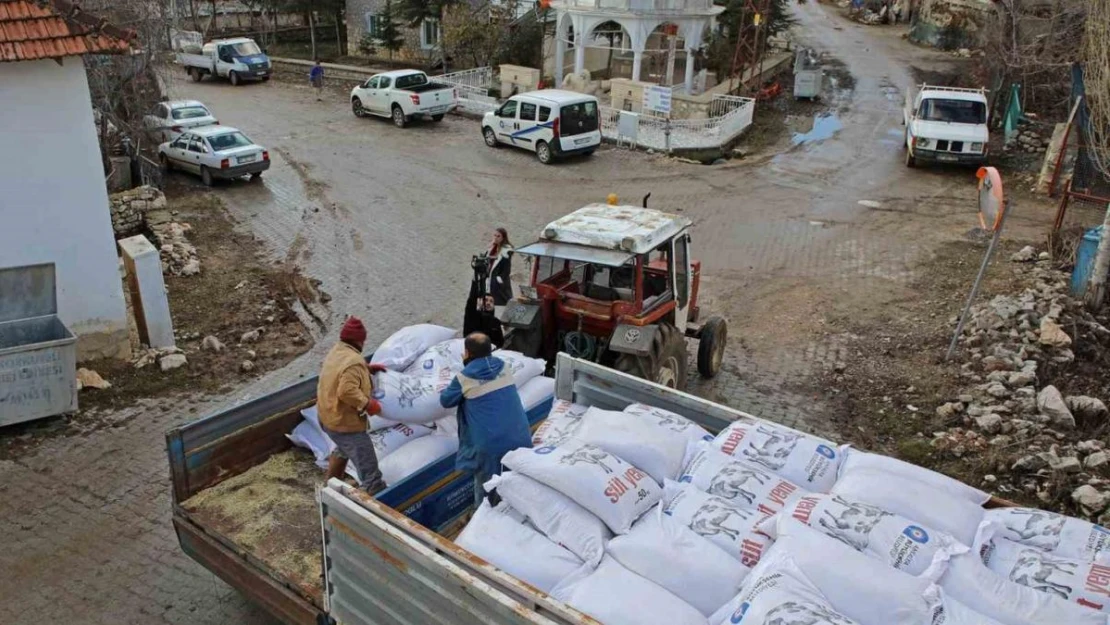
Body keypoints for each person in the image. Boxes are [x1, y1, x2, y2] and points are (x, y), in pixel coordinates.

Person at [439, 332, 532, 506]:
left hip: (490, 447)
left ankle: (481, 522)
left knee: (486, 491)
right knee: (517, 484)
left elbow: (445, 400)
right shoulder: (503, 366)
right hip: (521, 436)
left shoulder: (464, 378)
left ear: (467, 353)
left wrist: (465, 367)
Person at [317, 316, 388, 494]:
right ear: (359, 340)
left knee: (343, 449)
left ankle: (329, 489)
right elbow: (346, 391)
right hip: (344, 423)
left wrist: (366, 368)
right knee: (371, 474)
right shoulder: (353, 362)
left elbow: (342, 369)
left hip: (327, 417)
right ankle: (371, 509)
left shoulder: (337, 350)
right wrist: (368, 404)